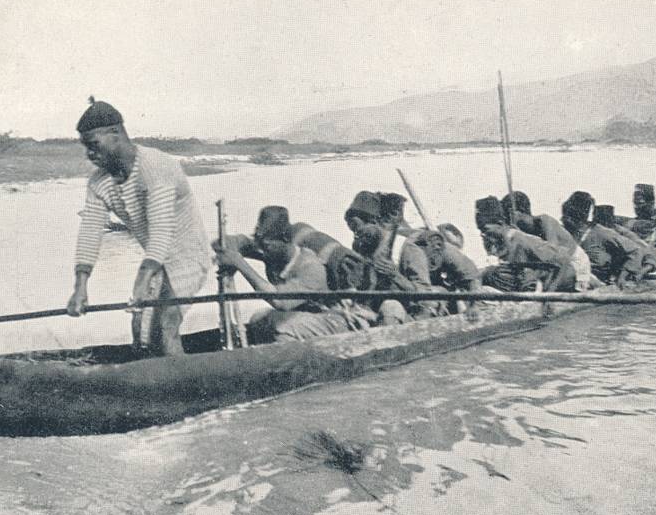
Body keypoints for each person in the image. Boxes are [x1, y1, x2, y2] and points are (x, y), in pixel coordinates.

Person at [67, 98, 208, 356]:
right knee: (141, 330)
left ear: (116, 133)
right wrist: (80, 287)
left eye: (93, 145)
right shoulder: (99, 183)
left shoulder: (155, 166)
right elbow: (89, 232)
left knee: (165, 324)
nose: (89, 154)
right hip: (156, 261)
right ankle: (153, 377)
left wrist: (142, 280)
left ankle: (179, 389)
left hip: (187, 256)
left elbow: (162, 231)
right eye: (85, 147)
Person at [213, 206, 374, 343]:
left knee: (282, 328)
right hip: (306, 317)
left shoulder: (310, 267)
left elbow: (280, 302)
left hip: (335, 320)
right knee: (257, 319)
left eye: (266, 246)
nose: (261, 250)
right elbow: (225, 241)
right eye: (260, 244)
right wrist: (228, 249)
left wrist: (239, 263)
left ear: (284, 239)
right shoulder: (271, 250)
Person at [344, 191, 434, 324]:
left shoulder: (405, 248)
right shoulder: (364, 249)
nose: (356, 236)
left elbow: (426, 297)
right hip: (372, 314)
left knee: (390, 307)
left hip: (408, 318)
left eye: (359, 228)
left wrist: (395, 275)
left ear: (375, 222)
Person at [475, 196, 577, 292]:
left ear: (500, 223)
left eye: (485, 229)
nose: (483, 234)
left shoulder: (520, 240)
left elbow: (564, 259)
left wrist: (549, 293)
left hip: (556, 283)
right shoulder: (501, 244)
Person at [501, 191, 593, 290]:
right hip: (559, 264)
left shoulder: (545, 221)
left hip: (574, 261)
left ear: (514, 213)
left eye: (507, 217)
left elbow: (554, 254)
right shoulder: (522, 232)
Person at [561, 191, 652, 286]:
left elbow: (635, 250)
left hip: (598, 285)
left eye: (568, 216)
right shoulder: (565, 234)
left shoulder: (602, 233)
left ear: (579, 217)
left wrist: (623, 276)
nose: (564, 220)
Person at [593, 204, 656, 274]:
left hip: (651, 257)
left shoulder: (622, 232)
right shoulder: (597, 231)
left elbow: (642, 248)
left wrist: (641, 271)